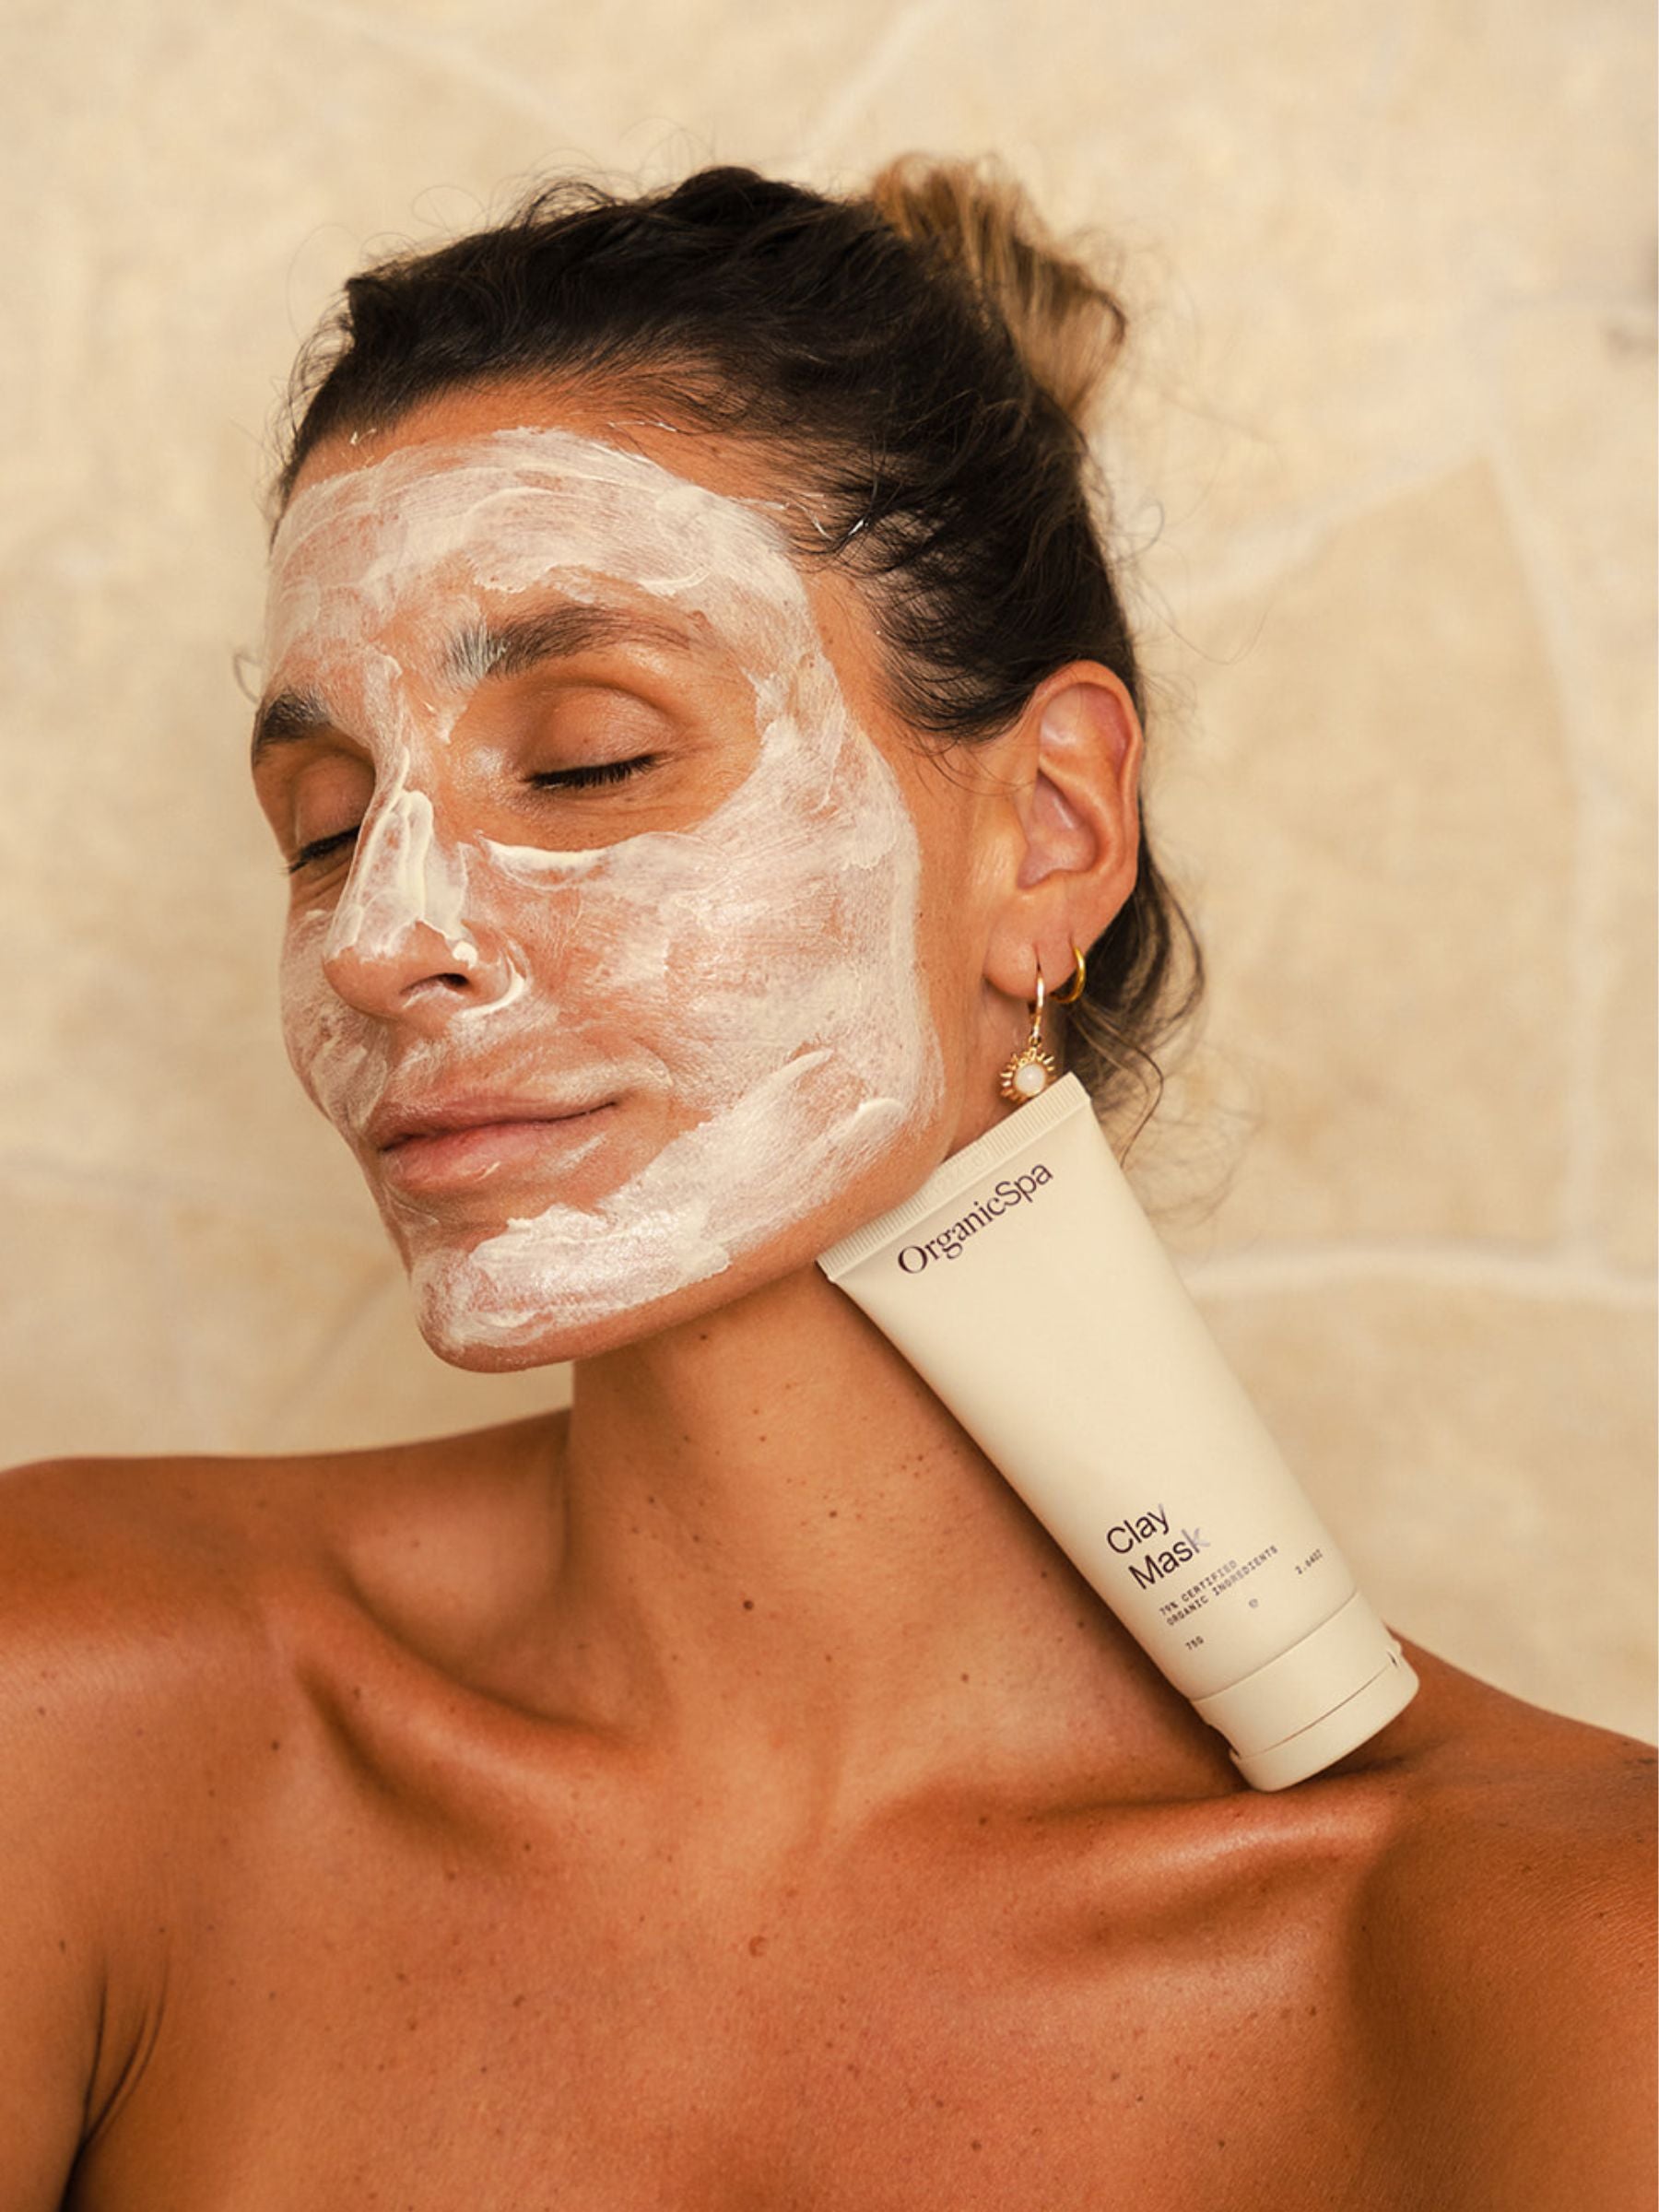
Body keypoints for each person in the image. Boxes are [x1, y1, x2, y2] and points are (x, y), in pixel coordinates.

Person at [3, 159, 1652, 2209]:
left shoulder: (1571, 1969)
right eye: (324, 823)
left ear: (1044, 834)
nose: (374, 936)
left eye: (590, 757)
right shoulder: (73, 1712)